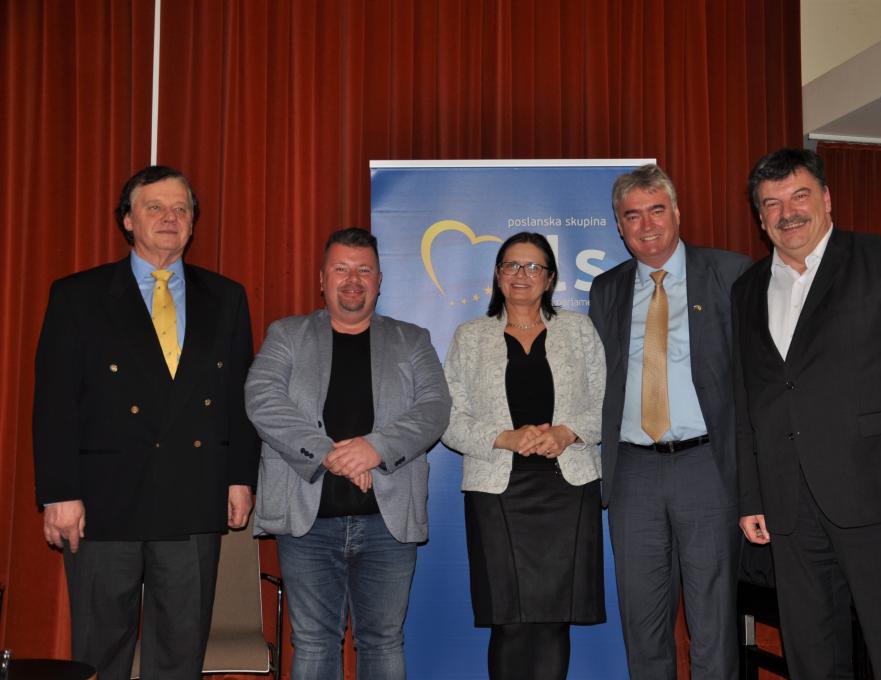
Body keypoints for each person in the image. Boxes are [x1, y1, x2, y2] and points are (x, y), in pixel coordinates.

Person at [733, 148, 881, 679]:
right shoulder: (746, 290)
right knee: (812, 658)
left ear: (827, 199)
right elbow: (747, 401)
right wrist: (751, 495)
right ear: (760, 218)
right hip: (788, 506)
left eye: (800, 196)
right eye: (772, 203)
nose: (787, 212)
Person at [33, 165, 259, 678]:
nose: (169, 217)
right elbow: (54, 403)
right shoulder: (78, 295)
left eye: (181, 209)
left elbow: (237, 396)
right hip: (103, 502)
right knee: (101, 650)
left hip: (192, 496)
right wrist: (59, 492)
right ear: (128, 220)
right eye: (154, 207)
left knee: (180, 653)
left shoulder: (226, 297)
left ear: (193, 223)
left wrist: (240, 477)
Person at [245, 227, 451, 680]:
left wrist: (374, 448)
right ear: (322, 279)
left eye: (364, 270)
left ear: (379, 280)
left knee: (384, 642)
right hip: (307, 522)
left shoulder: (412, 339)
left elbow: (435, 408)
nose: (352, 280)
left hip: (388, 523)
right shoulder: (287, 334)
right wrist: (329, 454)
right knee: (313, 643)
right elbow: (262, 399)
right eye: (341, 269)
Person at [588, 165, 750, 679]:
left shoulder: (730, 272)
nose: (647, 225)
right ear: (619, 226)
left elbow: (758, 376)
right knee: (642, 622)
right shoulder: (607, 288)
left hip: (707, 465)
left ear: (677, 213)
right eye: (632, 215)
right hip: (632, 471)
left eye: (657, 210)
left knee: (713, 621)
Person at [443, 232, 606, 680]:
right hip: (497, 494)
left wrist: (568, 432)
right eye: (512, 265)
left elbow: (607, 404)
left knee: (554, 621)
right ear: (497, 275)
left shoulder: (579, 330)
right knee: (509, 621)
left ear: (550, 279)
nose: (522, 274)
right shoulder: (470, 336)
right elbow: (449, 420)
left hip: (567, 491)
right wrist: (504, 438)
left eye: (534, 267)